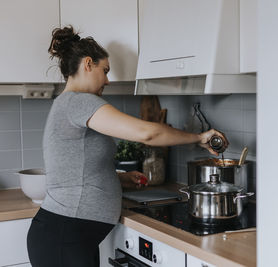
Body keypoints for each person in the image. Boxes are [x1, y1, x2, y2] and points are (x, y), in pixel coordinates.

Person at [26, 26, 229, 267]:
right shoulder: (79, 102)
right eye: (105, 71)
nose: (108, 81)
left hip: (69, 235)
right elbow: (148, 133)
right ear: (88, 64)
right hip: (64, 235)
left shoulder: (69, 104)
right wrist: (199, 138)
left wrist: (119, 179)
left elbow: (73, 168)